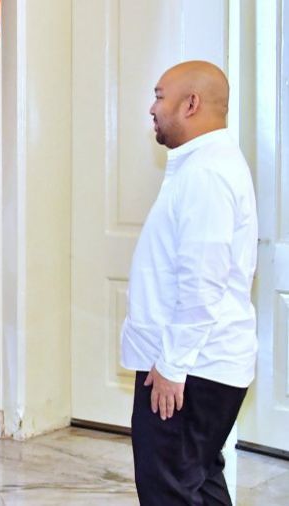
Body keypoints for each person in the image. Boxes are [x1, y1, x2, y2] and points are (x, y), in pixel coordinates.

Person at [120, 60, 258, 504]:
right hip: (200, 364)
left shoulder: (206, 174)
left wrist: (173, 365)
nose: (152, 108)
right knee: (197, 479)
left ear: (191, 103)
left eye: (160, 96)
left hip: (191, 367)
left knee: (170, 490)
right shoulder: (203, 164)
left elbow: (202, 283)